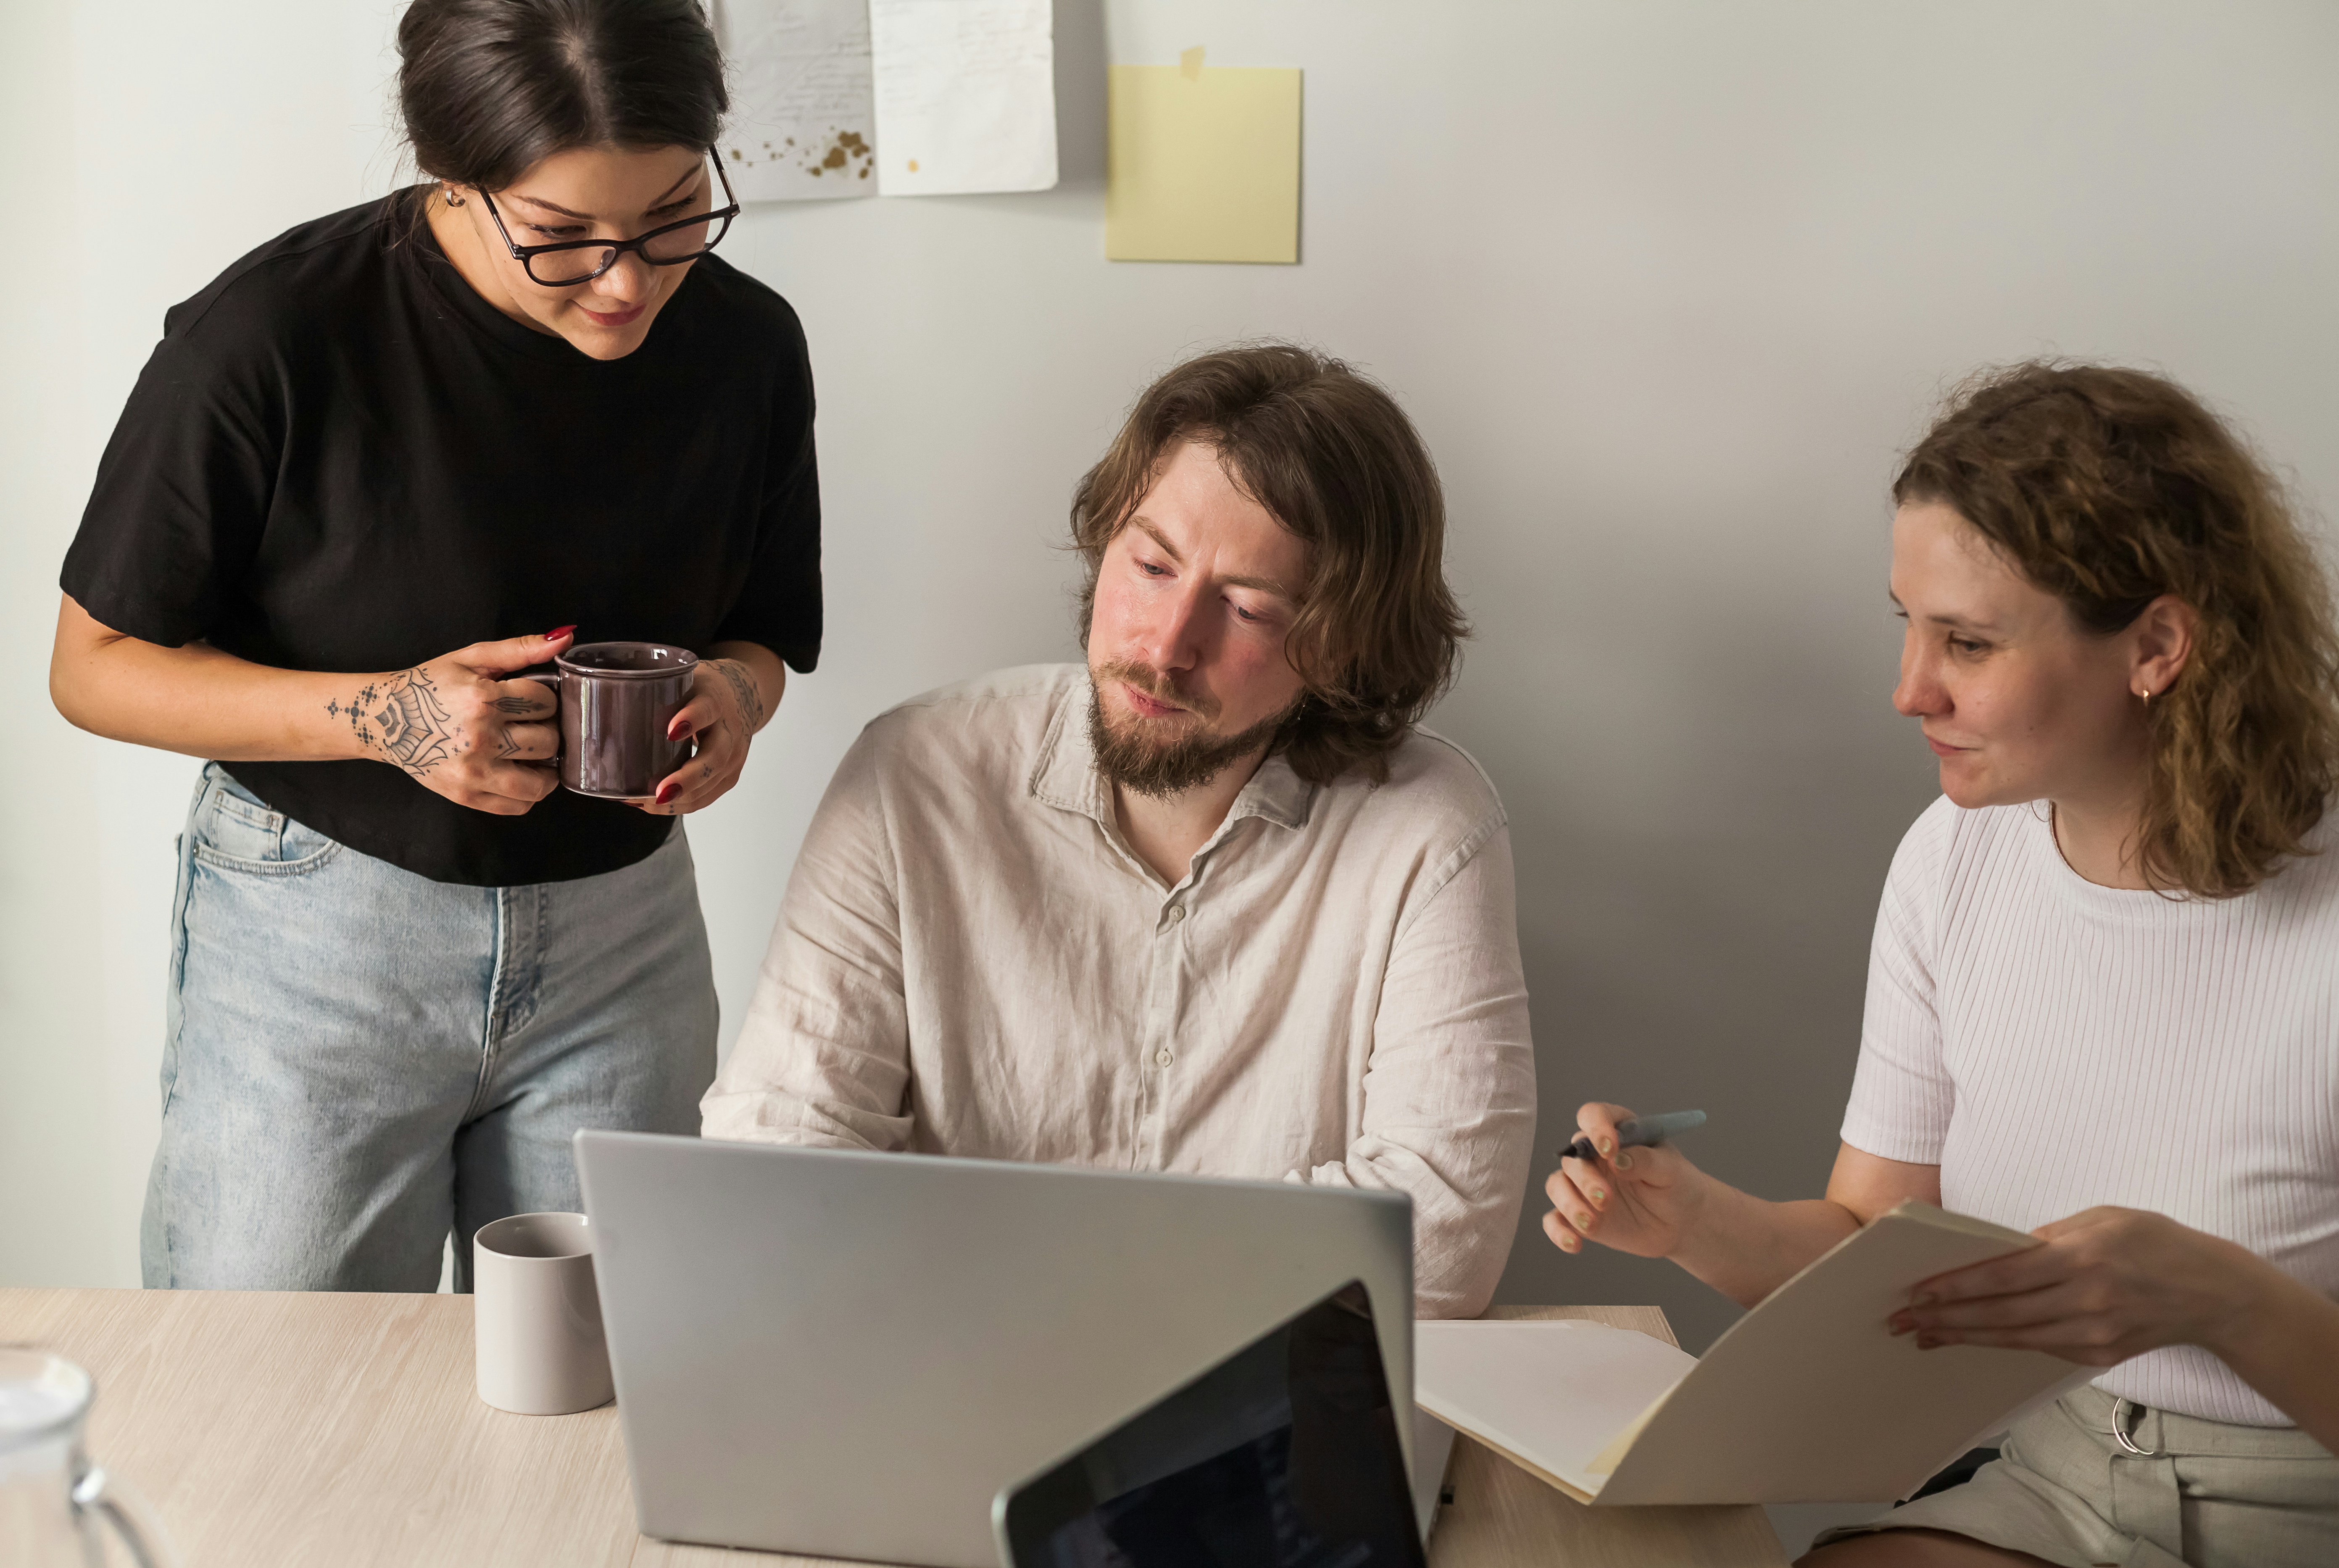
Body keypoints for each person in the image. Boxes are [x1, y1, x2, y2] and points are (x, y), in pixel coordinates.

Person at [47, 0, 819, 1292]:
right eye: (564, 238)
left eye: (675, 213)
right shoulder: (270, 337)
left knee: (611, 1389)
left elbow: (758, 638)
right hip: (319, 940)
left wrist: (732, 697)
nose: (630, 281)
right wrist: (389, 716)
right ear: (452, 181)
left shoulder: (747, 344)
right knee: (274, 1403)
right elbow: (95, 663)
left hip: (623, 934)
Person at [1544, 363, 2339, 1566]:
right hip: (2054, 1471)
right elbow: (1882, 1244)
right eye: (1906, 625)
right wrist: (1697, 1224)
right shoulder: (1952, 858)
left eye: (1965, 641)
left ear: (2155, 645)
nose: (1907, 689)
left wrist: (2218, 1296)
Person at [702, 343, 1536, 1318]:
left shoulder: (1428, 830)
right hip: (939, 1382)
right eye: (1149, 565)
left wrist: (994, 1259)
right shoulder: (914, 774)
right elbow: (773, 1163)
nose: (1164, 646)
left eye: (1247, 608)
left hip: (1260, 1408)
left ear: (1342, 646)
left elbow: (1438, 1245)